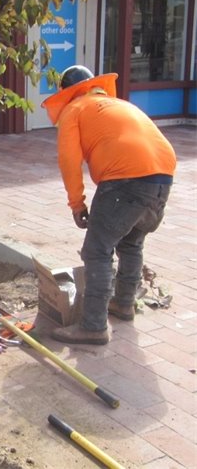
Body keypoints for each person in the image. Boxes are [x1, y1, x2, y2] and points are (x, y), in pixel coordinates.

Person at [41, 65, 176, 345]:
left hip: (125, 179)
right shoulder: (119, 105)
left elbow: (69, 160)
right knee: (130, 243)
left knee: (97, 250)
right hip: (162, 178)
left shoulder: (74, 109)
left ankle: (93, 326)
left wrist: (76, 204)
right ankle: (123, 303)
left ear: (67, 93)